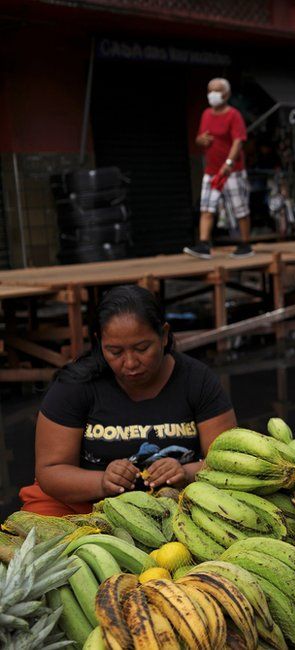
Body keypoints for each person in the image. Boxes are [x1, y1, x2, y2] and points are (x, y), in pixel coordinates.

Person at [20, 285, 237, 516]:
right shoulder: (75, 386)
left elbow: (231, 462)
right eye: (115, 352)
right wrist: (102, 482)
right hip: (85, 506)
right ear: (99, 342)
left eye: (142, 348)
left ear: (163, 335)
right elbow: (50, 471)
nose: (131, 363)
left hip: (178, 506)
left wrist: (186, 472)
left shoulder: (197, 381)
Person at [185, 78, 252, 259]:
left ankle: (245, 244)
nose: (212, 94)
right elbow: (200, 138)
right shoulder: (206, 114)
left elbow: (239, 140)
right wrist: (201, 140)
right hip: (212, 170)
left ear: (226, 94)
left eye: (217, 90)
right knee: (207, 207)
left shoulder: (233, 115)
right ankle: (204, 244)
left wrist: (228, 163)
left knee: (240, 208)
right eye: (210, 90)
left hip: (232, 171)